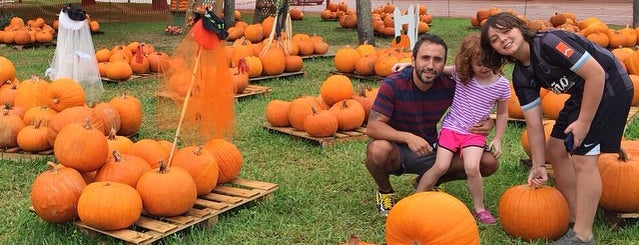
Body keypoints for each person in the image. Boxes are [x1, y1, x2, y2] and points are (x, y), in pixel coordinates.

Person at [480, 12, 634, 244]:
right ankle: (574, 217)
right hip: (583, 92)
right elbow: (533, 122)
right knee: (556, 147)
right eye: (494, 39)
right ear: (493, 49)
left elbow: (596, 74)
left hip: (610, 85)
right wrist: (539, 164)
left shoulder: (549, 43)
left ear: (520, 28)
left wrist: (583, 122)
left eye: (506, 30)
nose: (502, 39)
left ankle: (583, 235)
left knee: (583, 159)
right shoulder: (522, 76)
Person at [365, 33, 499, 217]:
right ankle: (385, 191)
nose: (430, 65)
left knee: (488, 162)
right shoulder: (393, 84)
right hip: (396, 150)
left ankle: (425, 182)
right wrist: (408, 137)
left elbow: (476, 101)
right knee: (377, 149)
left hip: (431, 150)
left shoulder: (449, 86)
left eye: (437, 60)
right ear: (413, 60)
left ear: (444, 64)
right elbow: (373, 127)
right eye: (425, 58)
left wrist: (490, 121)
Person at [413, 34, 510, 225]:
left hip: (474, 134)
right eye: (478, 63)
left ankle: (480, 208)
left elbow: (503, 113)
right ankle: (415, 200)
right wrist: (410, 65)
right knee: (440, 166)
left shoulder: (502, 85)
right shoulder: (461, 75)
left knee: (472, 167)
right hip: (451, 128)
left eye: (489, 62)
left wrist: (498, 138)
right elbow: (438, 70)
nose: (484, 68)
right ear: (468, 61)